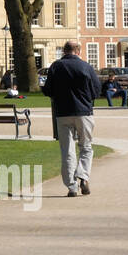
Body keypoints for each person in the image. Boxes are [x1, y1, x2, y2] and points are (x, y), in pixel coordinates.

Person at [41, 40, 101, 198]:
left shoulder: (55, 66)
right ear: (79, 51)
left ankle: (72, 187)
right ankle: (83, 176)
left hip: (62, 113)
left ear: (64, 51)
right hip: (84, 112)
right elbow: (96, 90)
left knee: (67, 150)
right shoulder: (86, 67)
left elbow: (47, 90)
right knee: (86, 147)